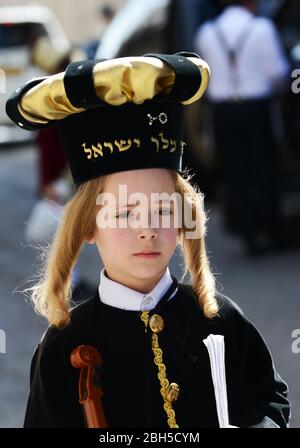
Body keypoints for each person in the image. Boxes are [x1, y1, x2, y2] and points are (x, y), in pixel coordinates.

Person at [6, 53, 290, 428]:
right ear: (88, 226)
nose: (147, 229)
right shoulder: (65, 345)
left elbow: (268, 398)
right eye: (124, 213)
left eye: (162, 210)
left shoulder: (221, 319)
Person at [194, 0, 290, 255]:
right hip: (257, 107)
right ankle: (272, 229)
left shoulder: (206, 32)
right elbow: (277, 73)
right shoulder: (262, 28)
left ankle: (248, 235)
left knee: (236, 172)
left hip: (223, 111)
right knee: (265, 168)